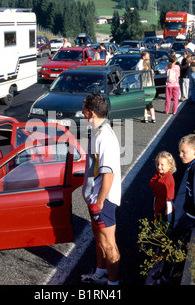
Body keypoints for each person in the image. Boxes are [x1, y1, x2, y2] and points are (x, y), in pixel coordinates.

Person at [154, 134, 195, 284]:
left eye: (183, 152)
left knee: (174, 242)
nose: (180, 155)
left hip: (194, 216)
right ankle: (167, 273)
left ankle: (166, 277)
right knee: (176, 241)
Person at [81, 94, 122, 285]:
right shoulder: (99, 131)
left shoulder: (104, 136)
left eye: (83, 108)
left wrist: (99, 202)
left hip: (102, 201)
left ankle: (113, 284)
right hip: (96, 198)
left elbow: (109, 174)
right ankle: (101, 273)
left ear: (91, 111)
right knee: (99, 240)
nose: (82, 112)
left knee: (109, 243)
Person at [149, 151, 176, 225]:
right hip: (160, 201)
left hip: (165, 204)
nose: (159, 167)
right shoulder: (161, 174)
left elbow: (162, 198)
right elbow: (151, 183)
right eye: (158, 164)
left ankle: (161, 235)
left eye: (162, 165)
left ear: (169, 166)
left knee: (165, 223)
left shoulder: (166, 180)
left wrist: (157, 210)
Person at [142, 59, 156, 123]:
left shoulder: (142, 72)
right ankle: (153, 118)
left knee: (144, 104)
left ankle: (146, 118)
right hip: (151, 88)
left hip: (145, 89)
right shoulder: (151, 71)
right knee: (150, 104)